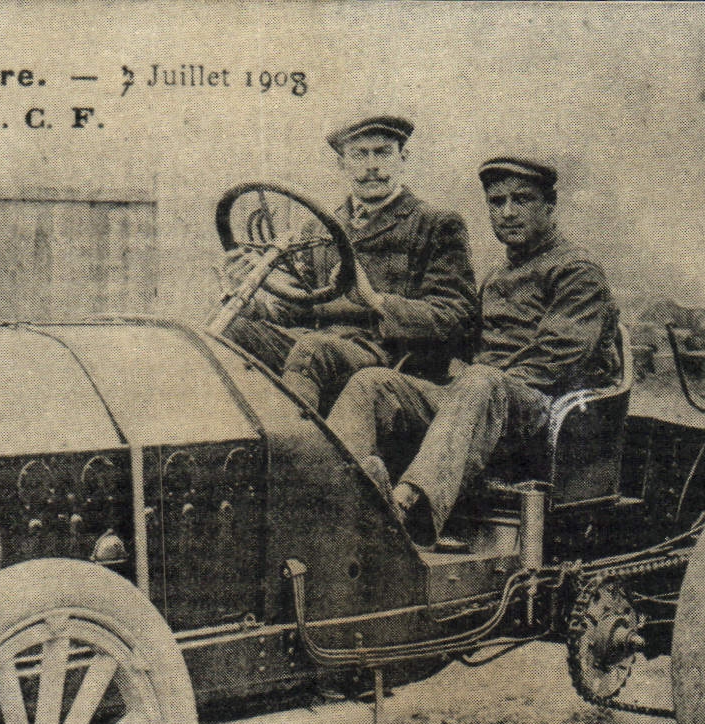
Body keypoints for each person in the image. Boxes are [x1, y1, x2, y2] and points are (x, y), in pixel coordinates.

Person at [325, 155, 619, 543]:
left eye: (522, 200)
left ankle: (404, 507)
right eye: (497, 203)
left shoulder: (577, 271)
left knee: (480, 381)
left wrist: (476, 381)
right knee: (372, 383)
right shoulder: (497, 274)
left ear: (550, 206)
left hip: (540, 410)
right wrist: (378, 304)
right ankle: (331, 495)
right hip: (476, 401)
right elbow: (460, 343)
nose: (508, 212)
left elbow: (557, 360)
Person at [222, 114, 479, 413]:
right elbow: (298, 308)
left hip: (390, 356)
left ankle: (298, 455)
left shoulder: (435, 224)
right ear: (342, 164)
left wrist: (377, 302)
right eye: (359, 155)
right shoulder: (318, 229)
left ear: (403, 158)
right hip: (318, 346)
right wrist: (250, 298)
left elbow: (457, 318)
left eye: (382, 152)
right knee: (231, 331)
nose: (372, 165)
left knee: (312, 350)